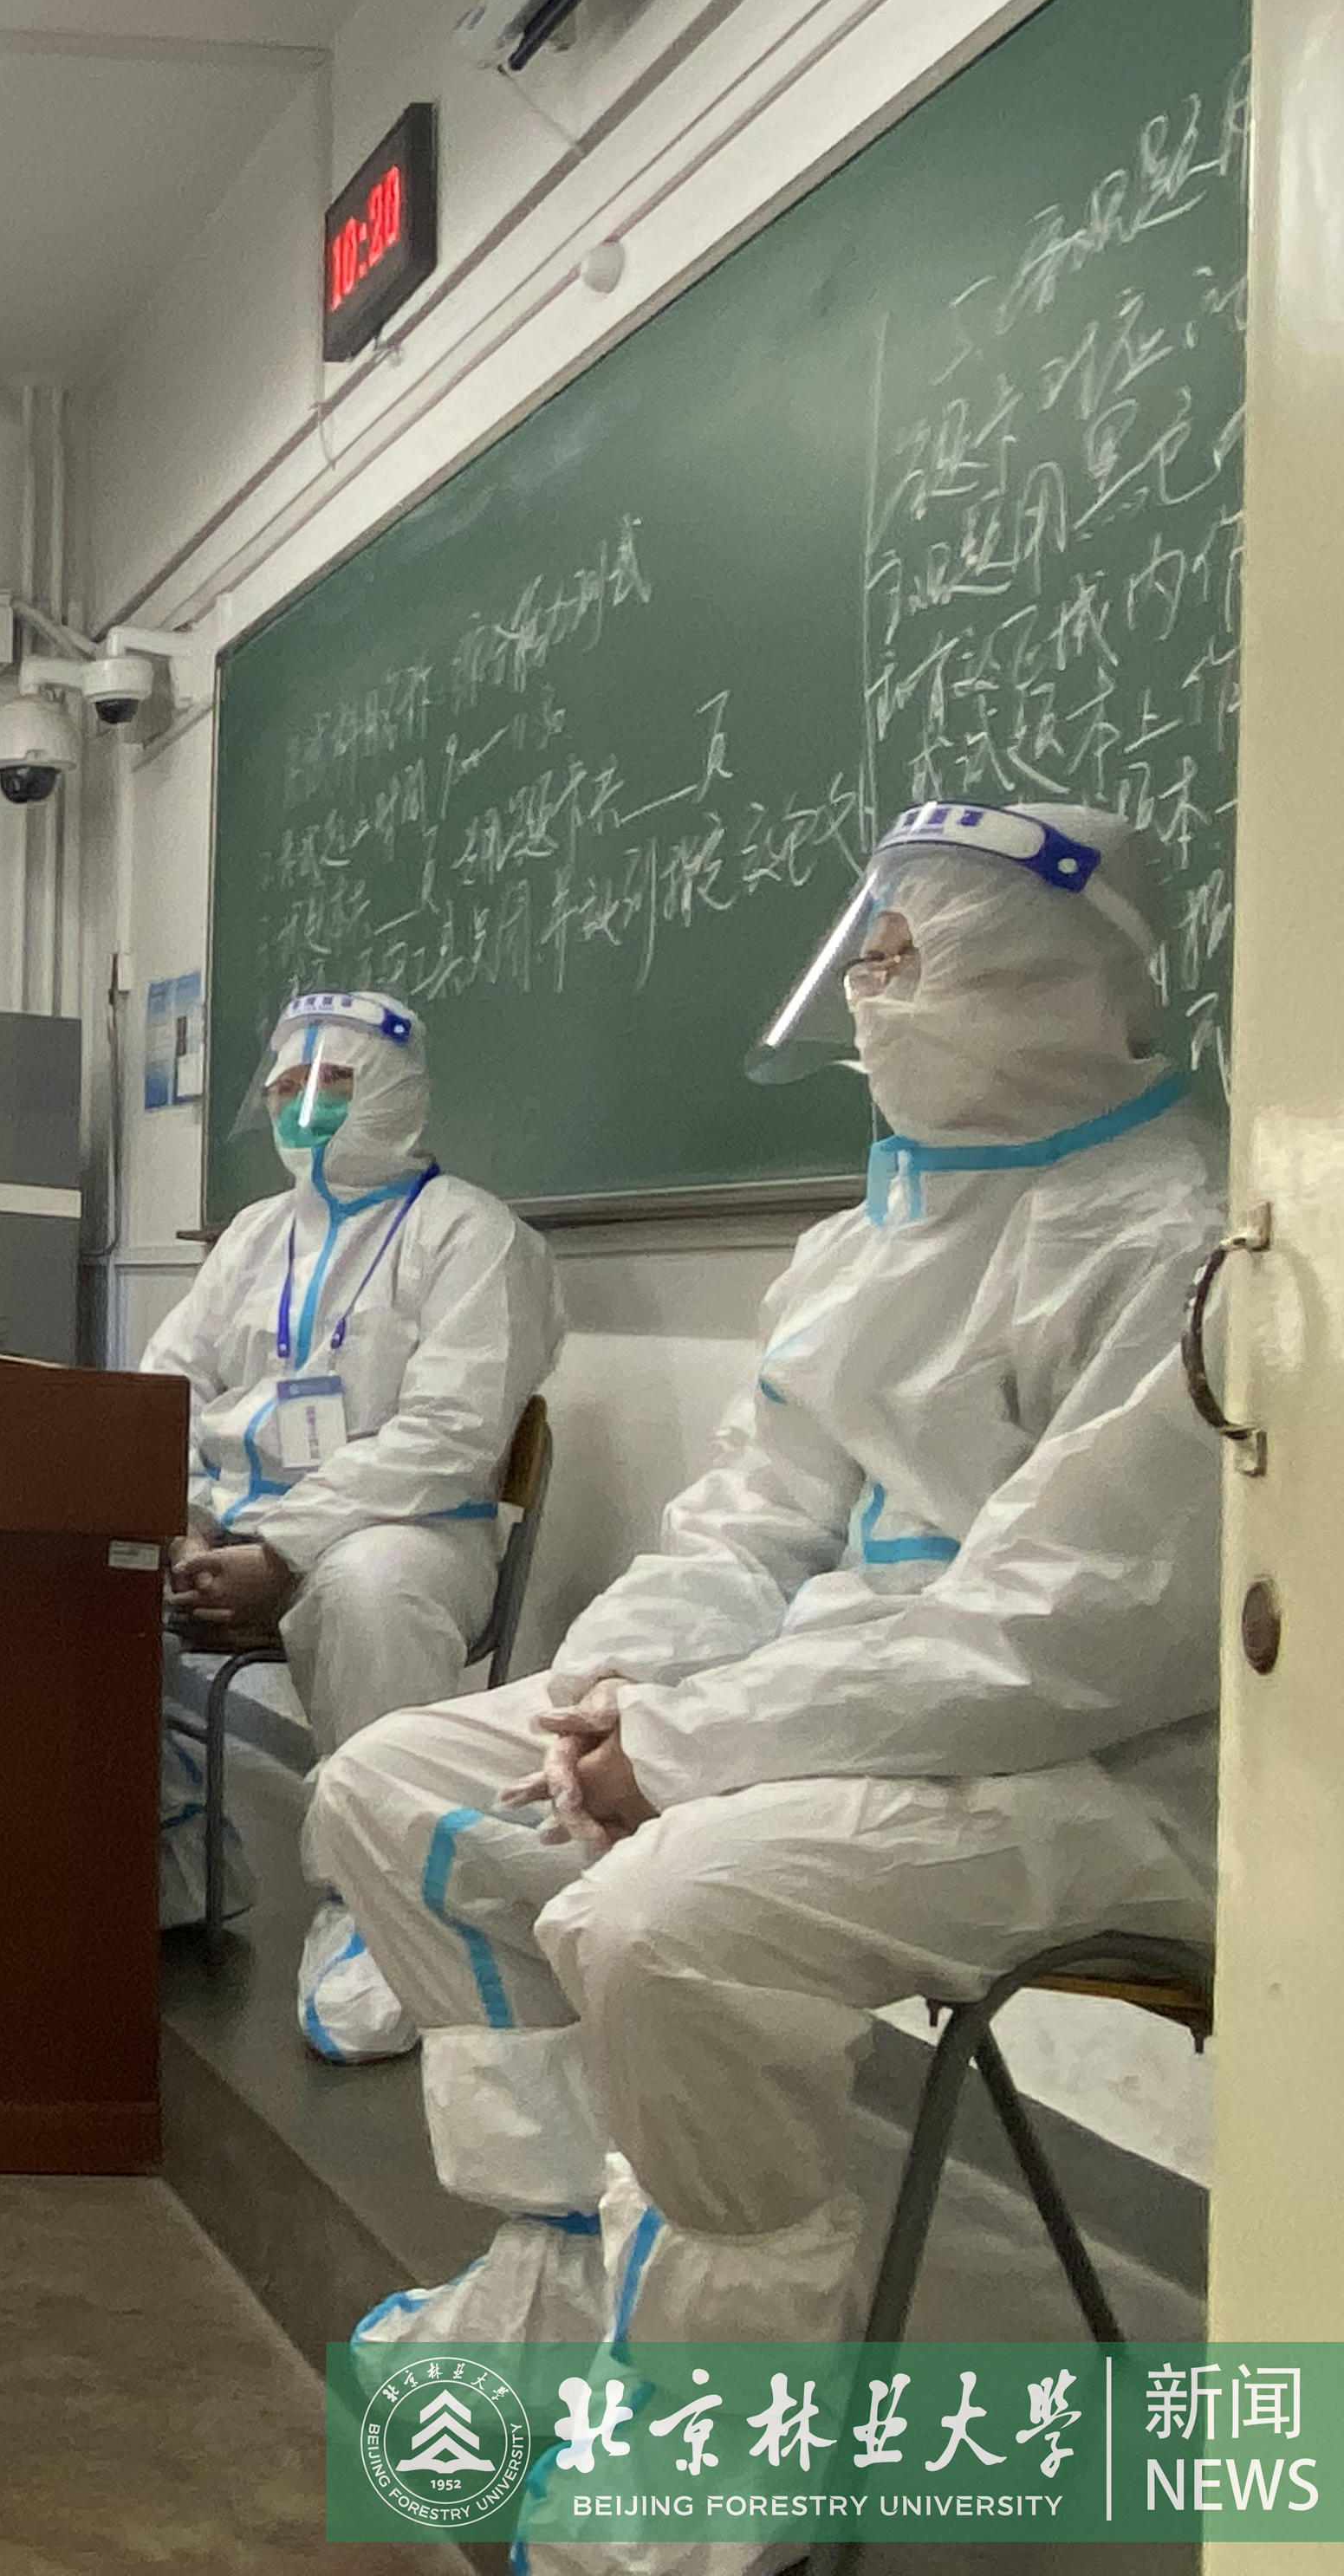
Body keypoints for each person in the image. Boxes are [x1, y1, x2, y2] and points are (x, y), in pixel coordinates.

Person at [312, 803, 1221, 2571]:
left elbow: (1059, 1637)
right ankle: (555, 2271)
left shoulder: (1176, 1242)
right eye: (863, 954)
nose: (870, 993)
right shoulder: (868, 1238)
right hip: (831, 1716)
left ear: (1053, 978)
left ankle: (726, 2443)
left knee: (663, 1919)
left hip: (1097, 1775)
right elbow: (748, 1526)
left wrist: (689, 1744)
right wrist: (617, 1690)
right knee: (396, 1784)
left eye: (911, 955)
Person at [140, 990, 563, 2060]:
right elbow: (167, 1388)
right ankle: (174, 1857)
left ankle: (378, 1901)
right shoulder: (253, 1236)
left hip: (408, 1528)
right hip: (225, 1530)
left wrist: (286, 1551)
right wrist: (181, 1522)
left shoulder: (473, 1235)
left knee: (374, 1588)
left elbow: (449, 1436)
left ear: (397, 1092)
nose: (307, 1109)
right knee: (81, 1568)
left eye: (335, 1083)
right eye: (288, 1086)